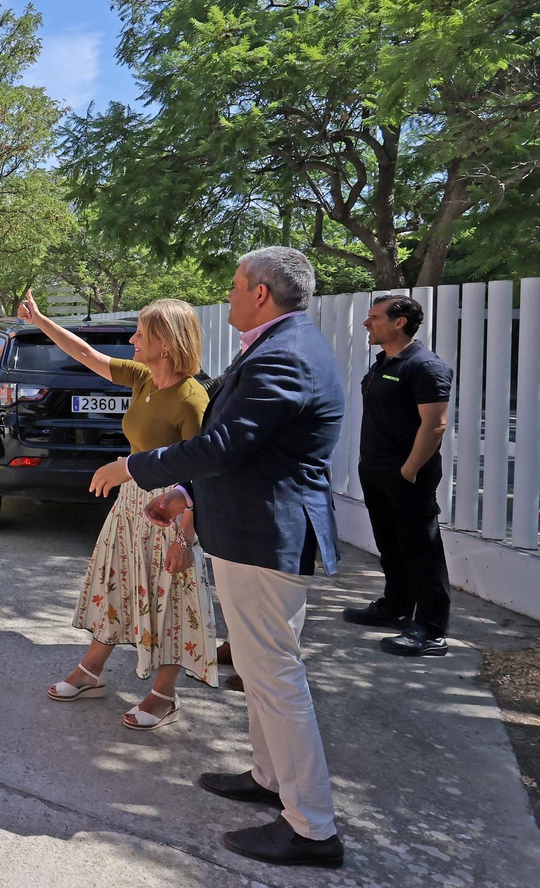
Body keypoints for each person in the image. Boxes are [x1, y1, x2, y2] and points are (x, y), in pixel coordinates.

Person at [91, 247, 346, 869]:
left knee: (276, 677)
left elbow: (224, 442)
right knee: (261, 673)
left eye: (234, 286)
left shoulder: (284, 353)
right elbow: (245, 451)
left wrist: (136, 468)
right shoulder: (278, 345)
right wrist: (182, 491)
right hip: (252, 531)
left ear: (261, 292)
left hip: (267, 537)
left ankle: (312, 828)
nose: (227, 296)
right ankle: (268, 778)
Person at [20, 290, 217, 728]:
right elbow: (86, 354)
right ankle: (91, 672)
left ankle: (164, 696)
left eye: (141, 333)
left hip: (170, 512)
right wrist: (41, 322)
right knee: (114, 587)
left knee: (169, 602)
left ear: (166, 343)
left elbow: (201, 475)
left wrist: (187, 537)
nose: (132, 340)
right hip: (130, 506)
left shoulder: (192, 398)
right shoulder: (145, 378)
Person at [346, 295, 453, 657]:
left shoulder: (424, 366)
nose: (367, 323)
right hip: (376, 472)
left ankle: (432, 630)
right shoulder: (383, 363)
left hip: (409, 477)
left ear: (399, 322)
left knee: (421, 550)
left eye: (374, 317)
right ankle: (395, 608)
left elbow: (435, 425)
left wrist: (408, 470)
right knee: (390, 545)